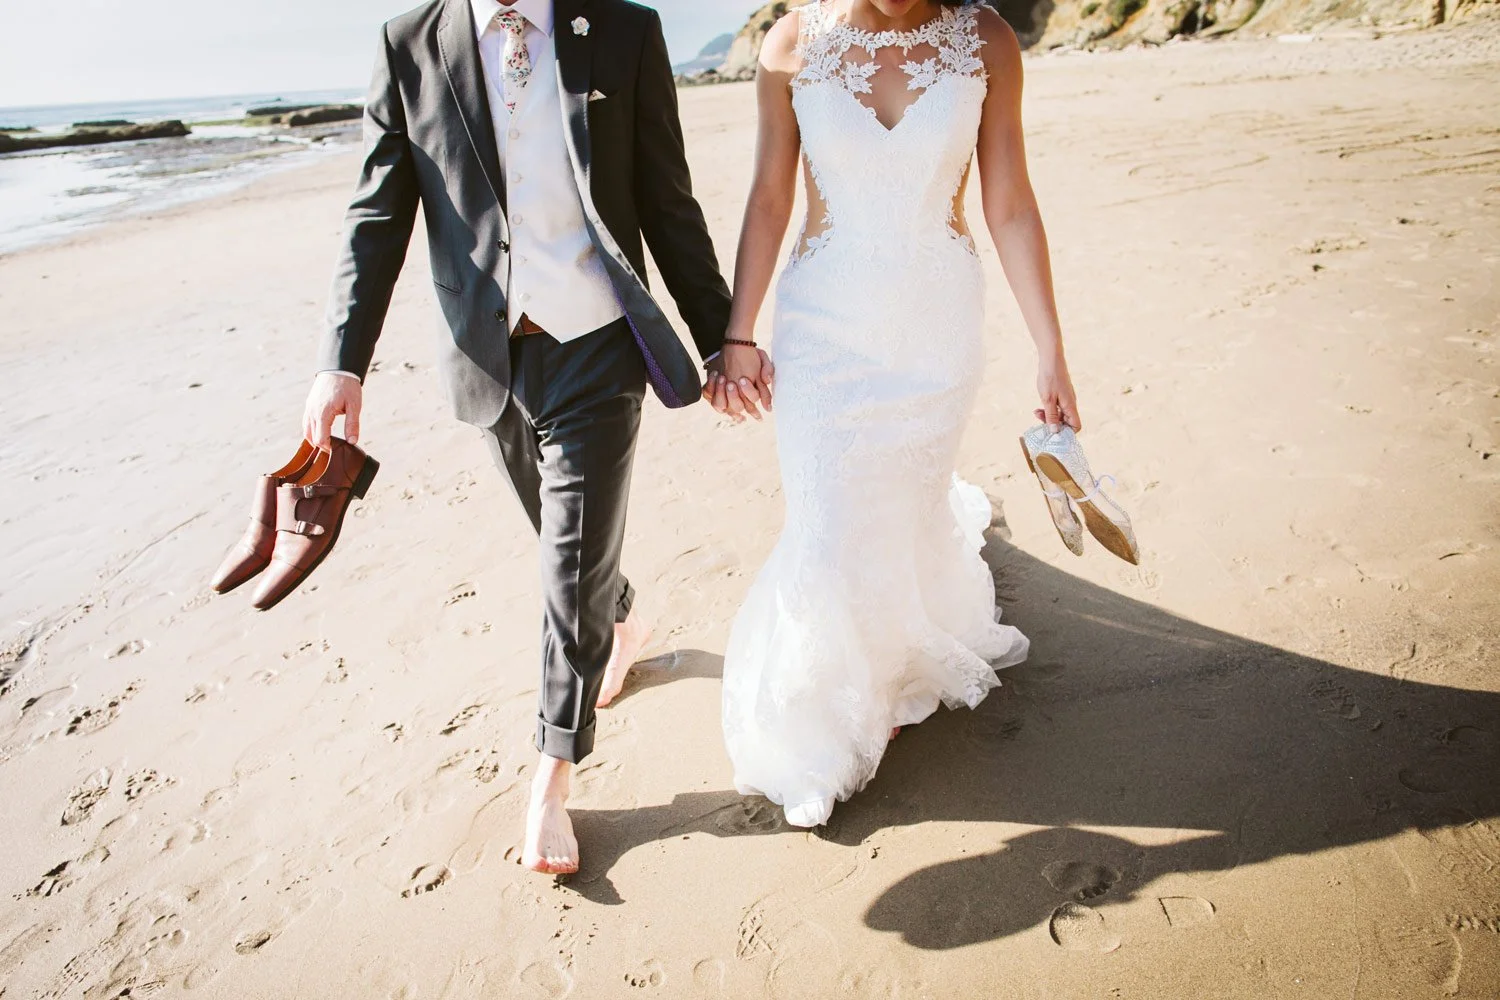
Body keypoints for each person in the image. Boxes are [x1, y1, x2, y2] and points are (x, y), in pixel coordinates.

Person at [301, 0, 769, 873]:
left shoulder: (625, 29)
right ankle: (620, 616)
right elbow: (376, 216)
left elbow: (668, 201)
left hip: (598, 343)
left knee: (567, 562)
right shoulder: (408, 47)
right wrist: (342, 364)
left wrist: (720, 335)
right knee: (572, 549)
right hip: (488, 359)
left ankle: (552, 772)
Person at [714, 0, 1080, 827]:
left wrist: (1049, 348)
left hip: (936, 326)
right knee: (828, 520)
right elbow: (771, 196)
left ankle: (888, 663)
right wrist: (739, 332)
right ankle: (821, 725)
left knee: (901, 508)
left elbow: (1010, 200)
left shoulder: (985, 40)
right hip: (822, 328)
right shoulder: (791, 42)